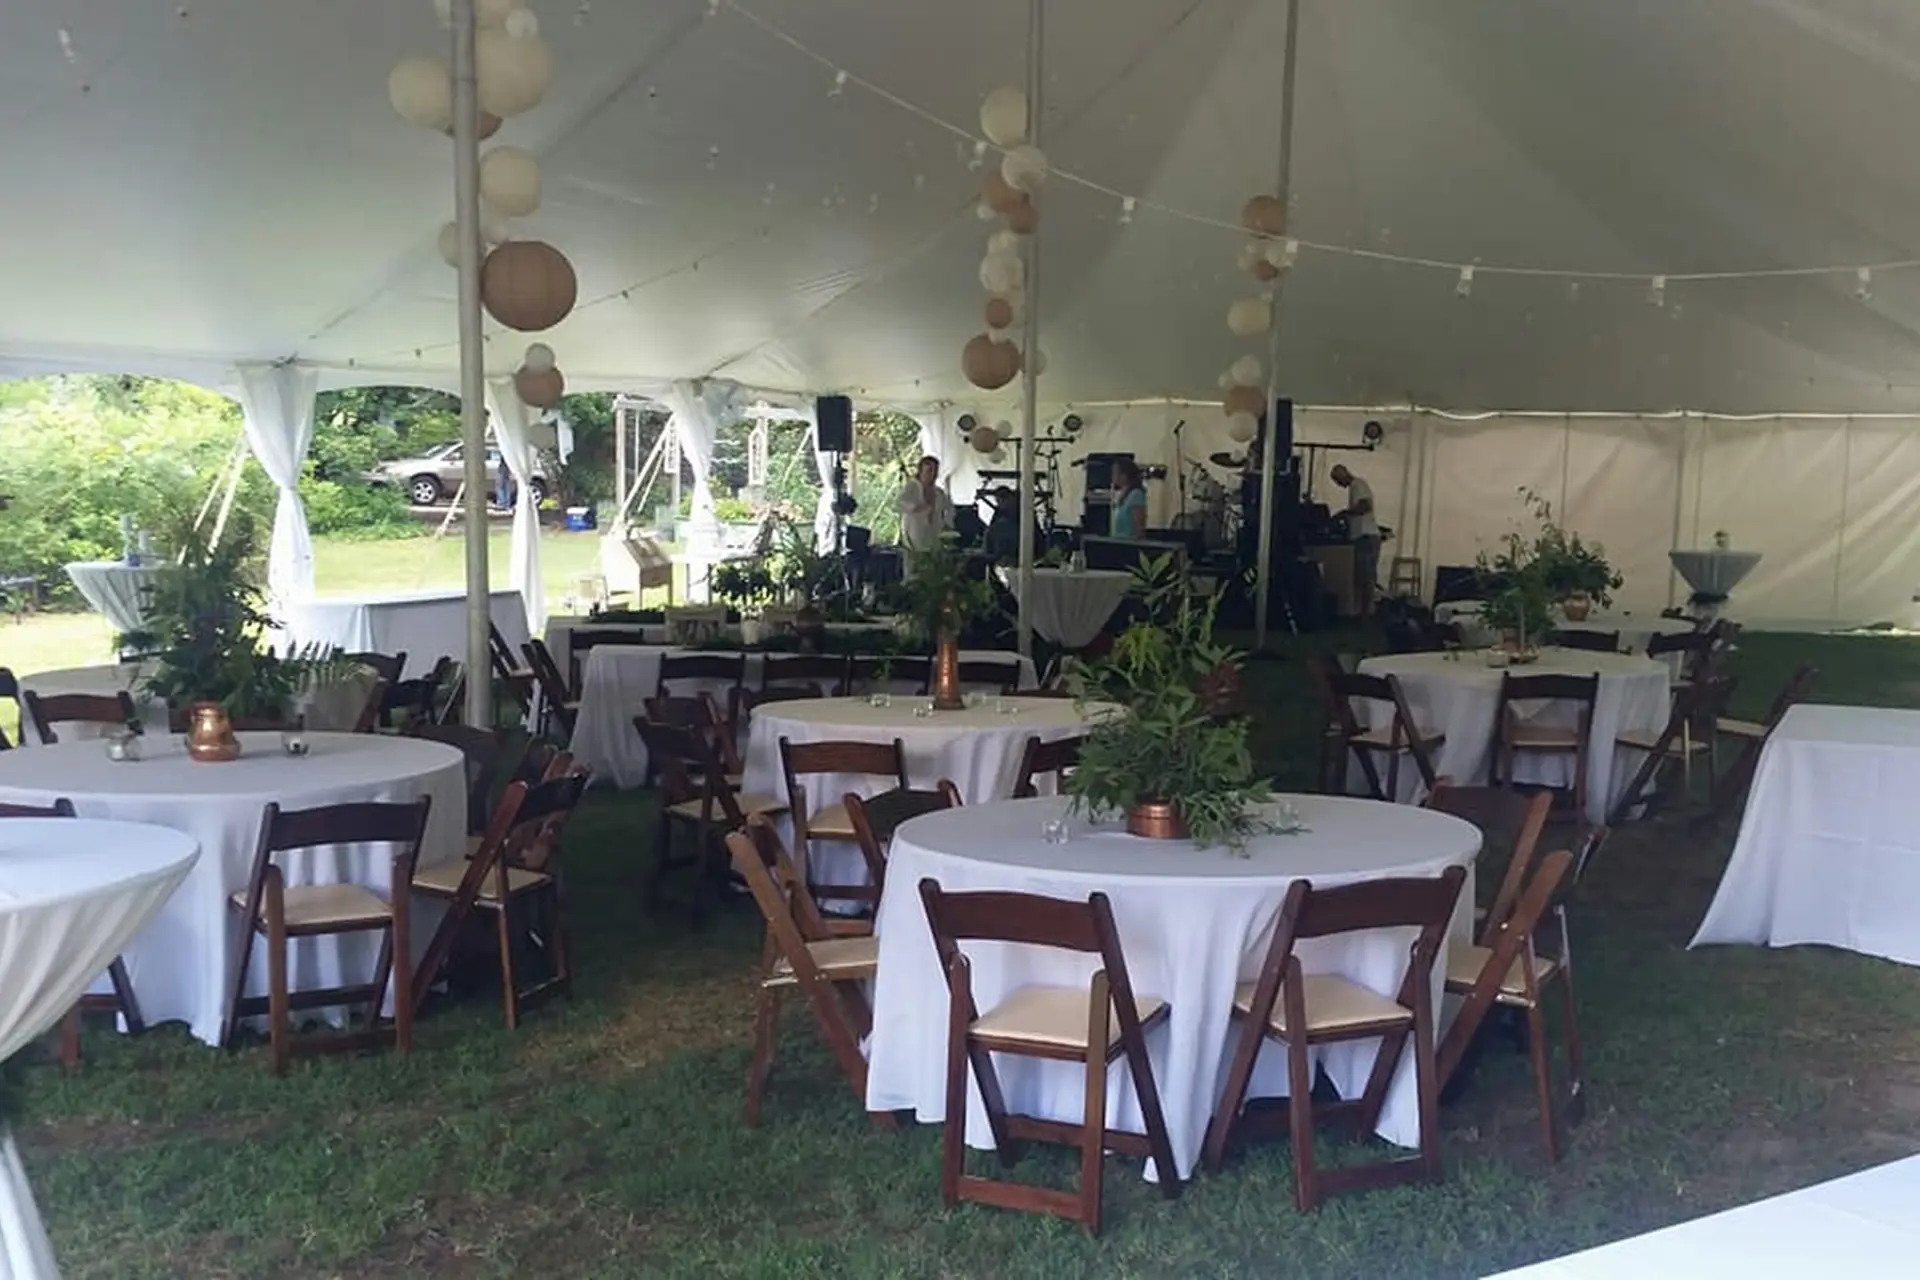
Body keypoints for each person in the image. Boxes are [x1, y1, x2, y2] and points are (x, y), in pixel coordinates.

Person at [1330, 463, 1380, 618]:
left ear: (1343, 475)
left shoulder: (1358, 484)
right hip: (1363, 536)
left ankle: (1366, 612)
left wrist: (1345, 513)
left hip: (1365, 536)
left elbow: (1365, 506)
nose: (1339, 485)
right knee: (1363, 576)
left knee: (1365, 576)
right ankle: (1363, 610)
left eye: (1338, 481)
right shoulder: (1355, 487)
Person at [896, 455, 954, 552]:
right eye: (929, 471)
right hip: (914, 538)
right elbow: (899, 504)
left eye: (935, 471)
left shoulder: (939, 493)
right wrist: (916, 507)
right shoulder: (912, 487)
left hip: (934, 537)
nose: (932, 475)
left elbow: (950, 508)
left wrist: (947, 523)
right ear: (921, 471)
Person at [1111, 457, 1148, 539]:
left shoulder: (1136, 495)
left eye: (1116, 473)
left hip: (1129, 544)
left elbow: (1139, 527)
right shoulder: (1122, 496)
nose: (1113, 476)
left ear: (1124, 475)